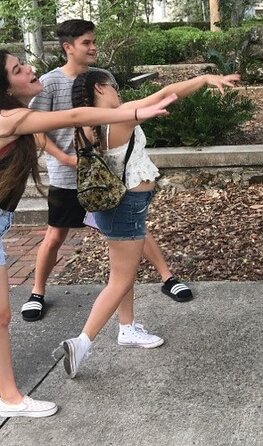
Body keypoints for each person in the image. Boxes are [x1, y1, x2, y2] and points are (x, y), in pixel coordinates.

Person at [0, 49, 175, 417]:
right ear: (5, 86)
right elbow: (76, 116)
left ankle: (8, 396)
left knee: (1, 316)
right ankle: (12, 397)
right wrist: (133, 114)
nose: (29, 69)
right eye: (18, 69)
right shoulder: (7, 118)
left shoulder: (17, 117)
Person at [60, 69, 239, 379]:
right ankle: (82, 342)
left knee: (123, 272)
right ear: (100, 88)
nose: (117, 91)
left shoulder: (88, 125)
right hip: (126, 205)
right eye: (113, 86)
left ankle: (127, 327)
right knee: (120, 279)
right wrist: (203, 80)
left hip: (114, 205)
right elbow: (165, 94)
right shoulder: (119, 119)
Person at [22, 19, 192, 323]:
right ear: (68, 47)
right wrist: (65, 159)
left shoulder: (102, 78)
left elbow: (117, 117)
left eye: (93, 41)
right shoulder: (49, 83)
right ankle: (37, 292)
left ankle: (167, 277)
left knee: (132, 229)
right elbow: (36, 129)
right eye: (86, 43)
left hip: (109, 172)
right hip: (69, 176)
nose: (93, 47)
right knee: (56, 234)